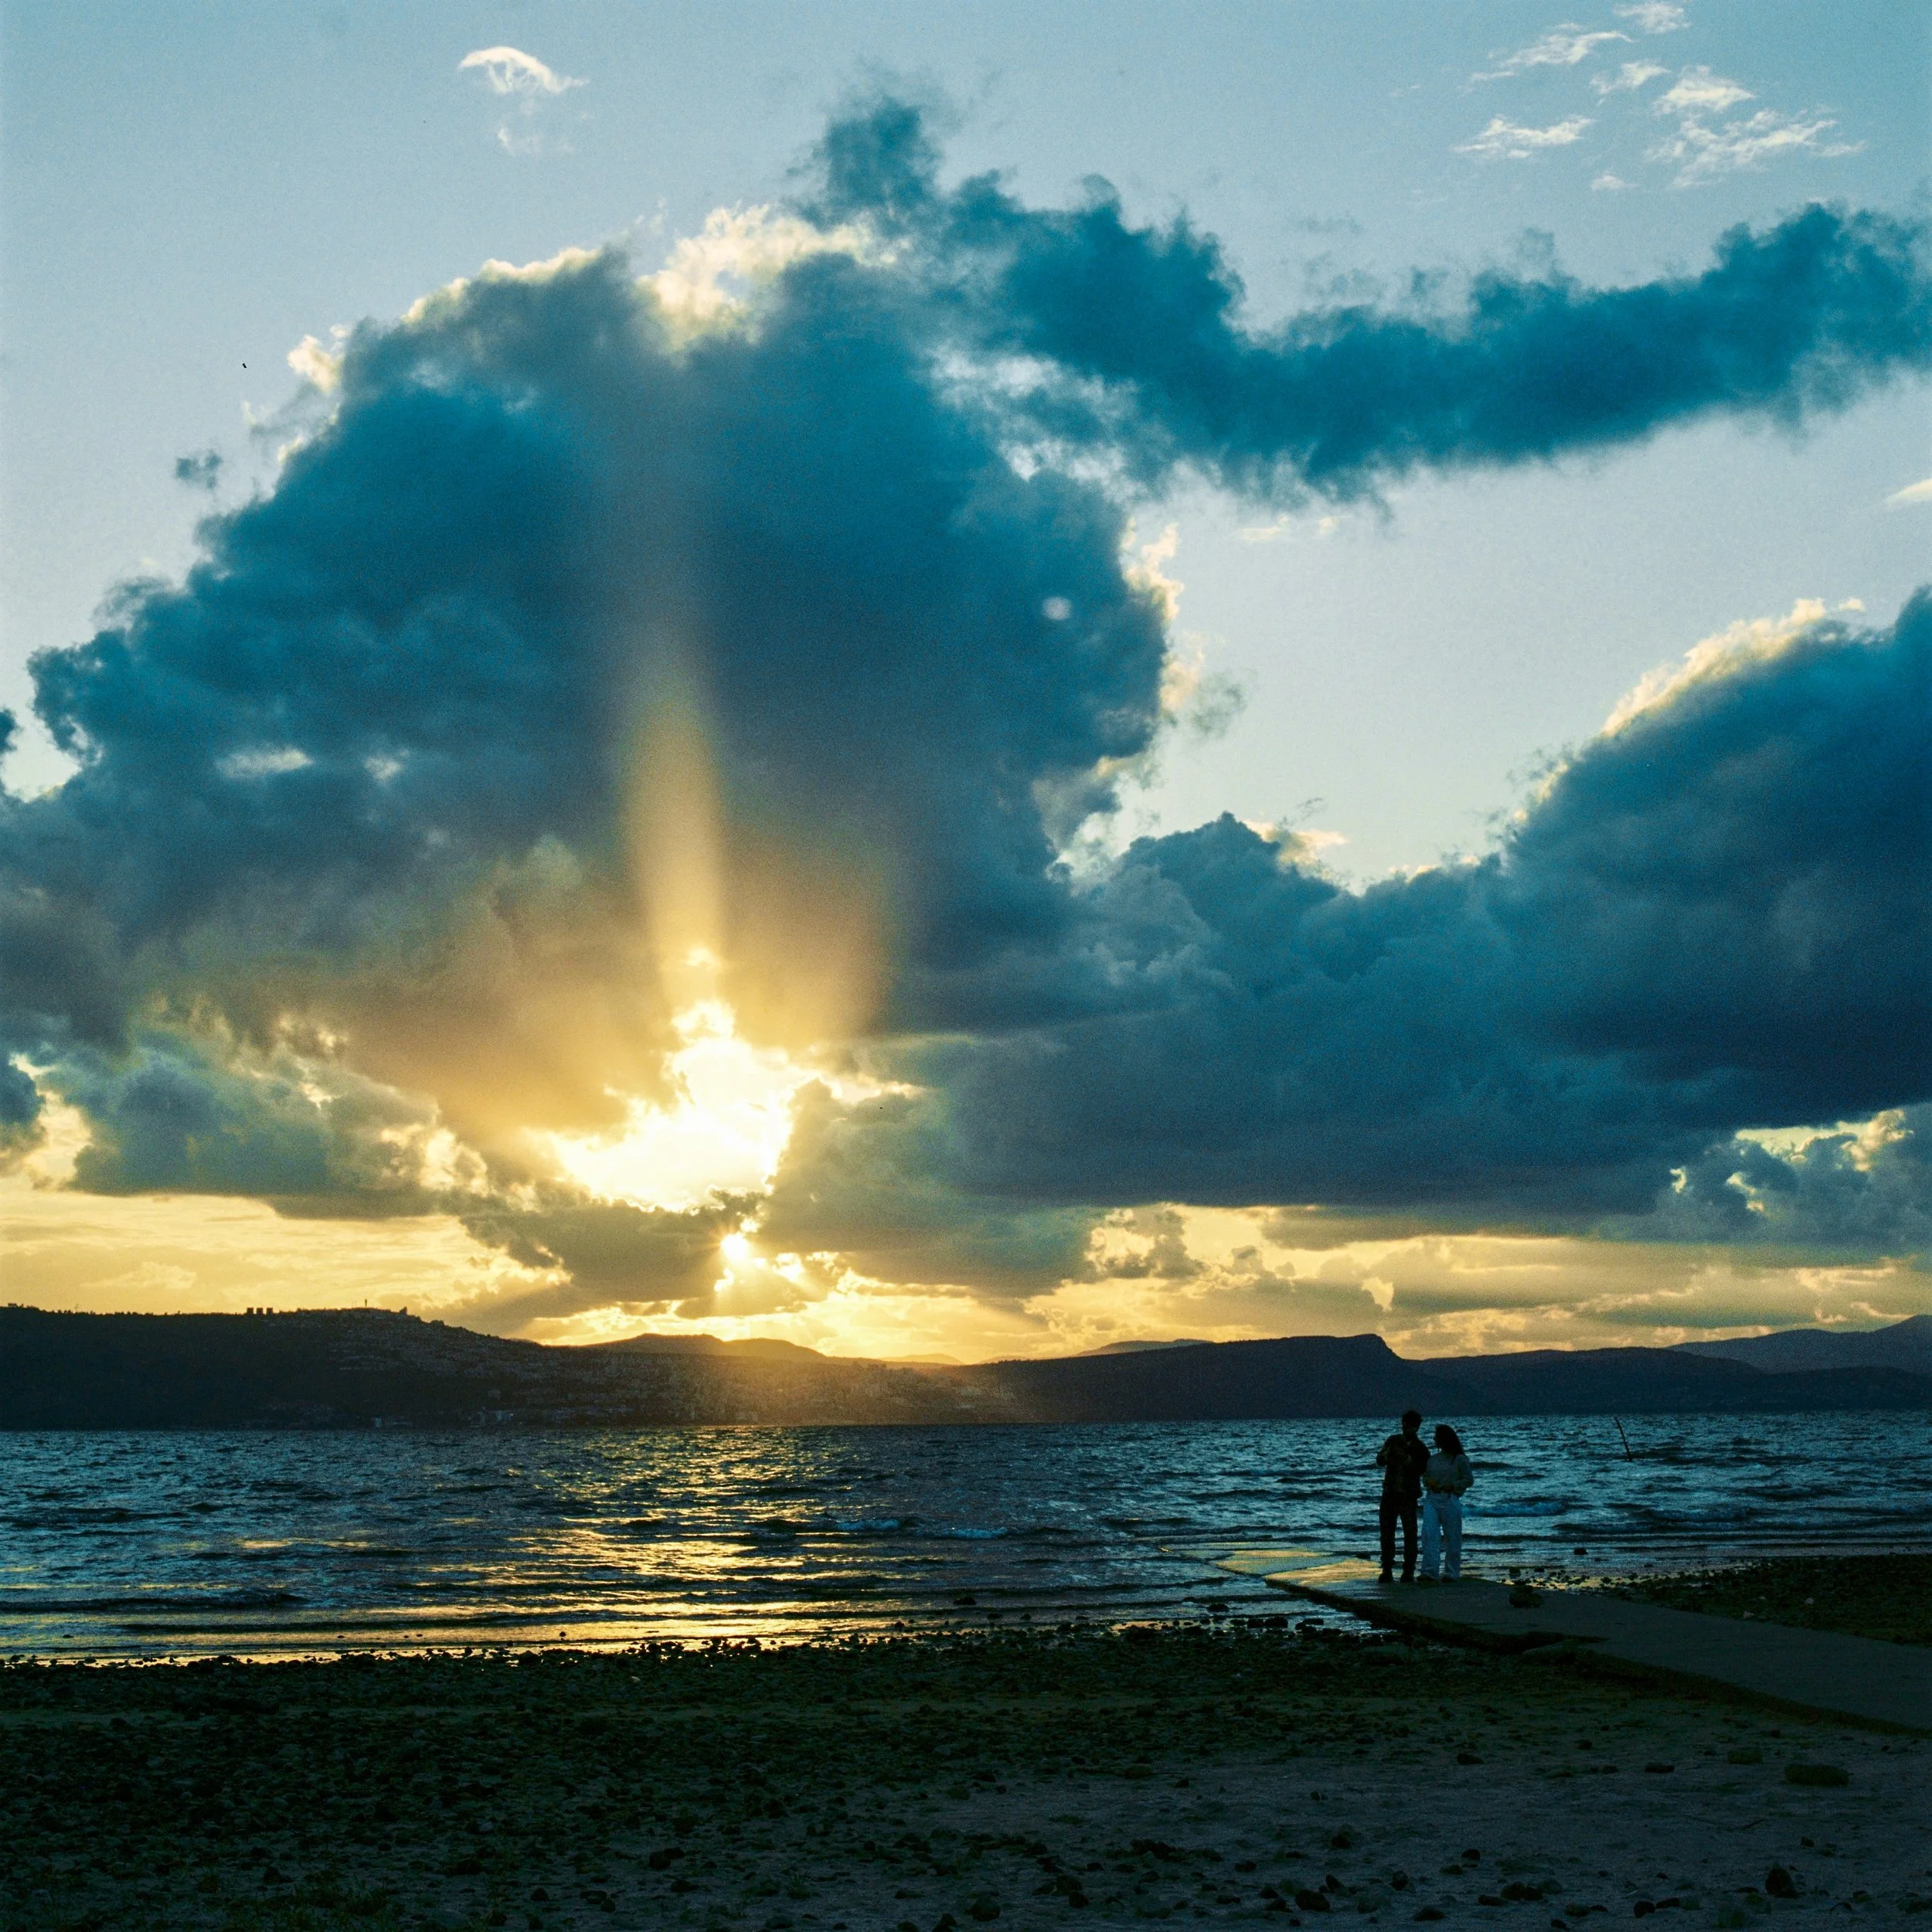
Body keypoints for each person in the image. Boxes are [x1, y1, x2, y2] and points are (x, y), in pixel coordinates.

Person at [1374, 1409, 1430, 1583]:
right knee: (1386, 1532)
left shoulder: (1421, 1449)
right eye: (1406, 1425)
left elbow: (1423, 1470)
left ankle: (1408, 1571)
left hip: (1408, 1495)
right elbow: (1379, 1460)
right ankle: (1387, 1569)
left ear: (1417, 1428)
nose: (1408, 1429)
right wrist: (1388, 1455)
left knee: (1410, 1533)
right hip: (1389, 1493)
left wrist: (1406, 1459)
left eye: (1412, 1426)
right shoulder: (1392, 1440)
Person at [1418, 1423, 1474, 1582]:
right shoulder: (1432, 1459)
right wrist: (1429, 1483)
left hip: (1450, 1498)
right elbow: (1425, 1477)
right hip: (1432, 1498)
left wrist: (1454, 1486)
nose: (1434, 1439)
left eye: (1437, 1436)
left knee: (1453, 1537)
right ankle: (1429, 1571)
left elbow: (1469, 1479)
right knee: (1429, 1534)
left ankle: (1452, 1572)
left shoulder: (1459, 1459)